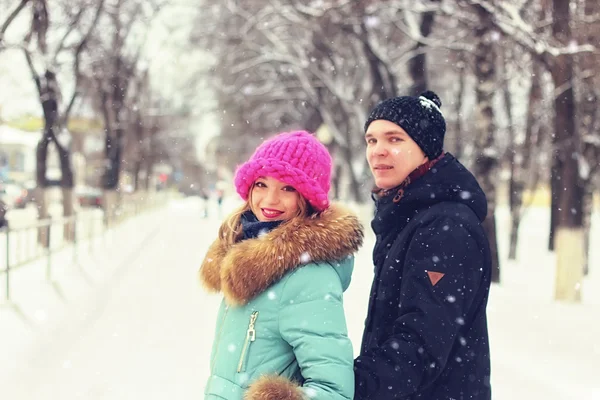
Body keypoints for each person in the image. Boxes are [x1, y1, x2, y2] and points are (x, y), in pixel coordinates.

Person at [199, 130, 364, 400]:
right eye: (261, 184)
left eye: (288, 188)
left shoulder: (309, 276)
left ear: (307, 198)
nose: (270, 200)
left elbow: (334, 390)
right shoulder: (244, 252)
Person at [354, 90, 492, 400]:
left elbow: (420, 347)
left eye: (394, 139)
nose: (378, 151)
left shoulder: (445, 228)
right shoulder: (408, 216)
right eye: (372, 140)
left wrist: (349, 384)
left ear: (426, 148)